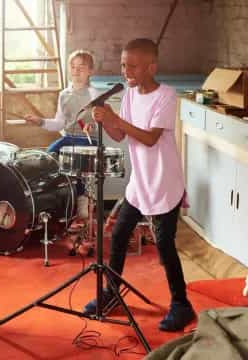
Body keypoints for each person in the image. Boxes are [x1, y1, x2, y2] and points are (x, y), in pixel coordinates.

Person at [83, 38, 196, 332]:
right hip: (140, 182)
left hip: (163, 182)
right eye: (123, 65)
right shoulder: (130, 95)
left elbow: (149, 138)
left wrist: (114, 117)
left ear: (151, 67)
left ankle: (181, 304)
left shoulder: (167, 96)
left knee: (164, 245)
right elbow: (121, 136)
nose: (126, 71)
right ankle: (112, 293)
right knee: (119, 236)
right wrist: (104, 121)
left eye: (132, 66)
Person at [24, 49, 99, 154]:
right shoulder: (63, 94)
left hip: (88, 141)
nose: (76, 71)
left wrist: (92, 126)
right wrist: (40, 121)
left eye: (81, 67)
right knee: (48, 157)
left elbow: (101, 124)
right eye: (73, 67)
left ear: (90, 71)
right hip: (67, 140)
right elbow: (59, 124)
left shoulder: (94, 94)